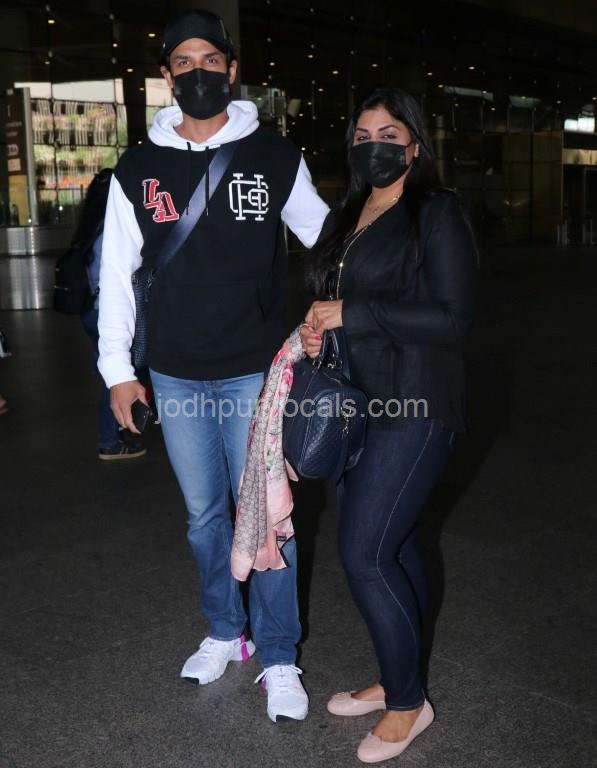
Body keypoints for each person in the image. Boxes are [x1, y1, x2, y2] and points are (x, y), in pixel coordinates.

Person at [98, 9, 329, 723]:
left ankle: (280, 654)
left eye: (210, 60)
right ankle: (227, 631)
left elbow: (324, 239)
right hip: (174, 371)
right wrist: (117, 371)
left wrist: (343, 309)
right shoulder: (137, 168)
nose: (197, 72)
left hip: (253, 371)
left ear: (231, 70)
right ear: (166, 75)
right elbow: (116, 274)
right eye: (183, 61)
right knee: (204, 517)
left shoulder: (275, 157)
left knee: (266, 514)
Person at [301, 87, 478, 763]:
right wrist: (320, 328)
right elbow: (332, 298)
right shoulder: (347, 213)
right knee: (394, 549)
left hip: (415, 404)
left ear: (414, 145)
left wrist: (354, 314)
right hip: (354, 405)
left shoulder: (435, 211)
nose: (372, 145)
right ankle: (397, 675)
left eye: (387, 134)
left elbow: (454, 318)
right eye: (361, 135)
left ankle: (409, 704)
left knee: (365, 554)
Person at [76, 169, 146, 460]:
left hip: (90, 311)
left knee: (111, 375)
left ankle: (115, 433)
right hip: (106, 313)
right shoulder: (111, 232)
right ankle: (110, 441)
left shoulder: (89, 228)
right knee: (116, 378)